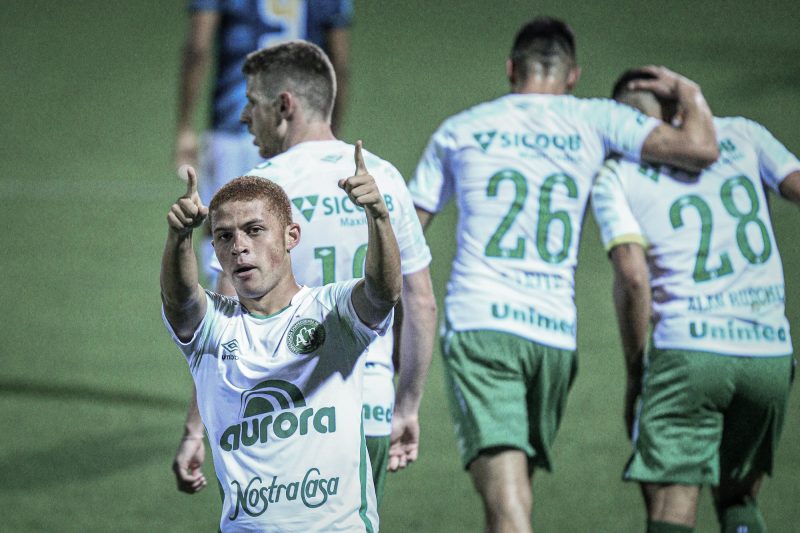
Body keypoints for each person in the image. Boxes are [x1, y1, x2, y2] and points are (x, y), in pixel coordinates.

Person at [408, 16, 719, 533]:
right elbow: (702, 148)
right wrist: (687, 90)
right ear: (573, 75)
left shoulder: (461, 128)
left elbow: (408, 231)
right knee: (511, 497)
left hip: (482, 327)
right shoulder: (597, 119)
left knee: (507, 504)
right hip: (553, 335)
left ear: (511, 68)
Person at [172, 41, 437, 507]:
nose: (243, 117)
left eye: (251, 103)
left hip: (278, 417)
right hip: (368, 409)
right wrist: (407, 404)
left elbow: (220, 325)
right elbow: (419, 302)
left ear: (284, 105)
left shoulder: (261, 195)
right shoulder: (383, 179)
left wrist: (196, 427)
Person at [591, 68, 800, 533]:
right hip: (768, 349)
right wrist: (693, 94)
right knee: (738, 497)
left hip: (689, 353)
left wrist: (635, 368)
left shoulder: (616, 174)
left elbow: (633, 277)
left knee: (672, 507)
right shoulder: (743, 135)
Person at [161, 141, 399, 531]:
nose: (238, 246)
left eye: (254, 230)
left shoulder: (332, 312)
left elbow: (383, 292)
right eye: (223, 236)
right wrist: (178, 238)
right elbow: (181, 300)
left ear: (291, 236)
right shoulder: (214, 329)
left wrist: (378, 217)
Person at [175, 0, 353, 288]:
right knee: (292, 234)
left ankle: (230, 329)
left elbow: (198, 47)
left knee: (225, 238)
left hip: (236, 126)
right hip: (299, 127)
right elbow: (340, 64)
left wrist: (184, 127)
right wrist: (328, 131)